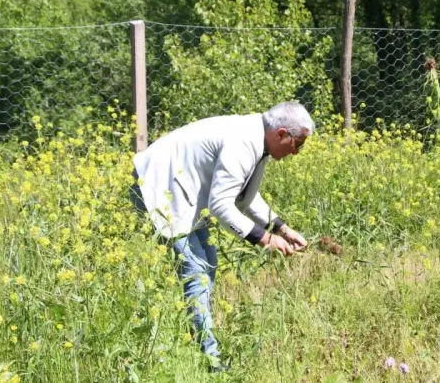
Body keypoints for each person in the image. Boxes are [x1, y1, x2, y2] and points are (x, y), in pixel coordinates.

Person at [130, 101, 312, 372]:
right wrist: (264, 239)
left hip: (184, 192)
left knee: (207, 265)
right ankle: (210, 361)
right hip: (158, 183)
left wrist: (281, 228)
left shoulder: (257, 139)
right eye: (298, 144)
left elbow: (246, 195)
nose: (296, 152)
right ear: (281, 134)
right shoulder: (243, 141)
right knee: (197, 272)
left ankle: (196, 341)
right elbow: (222, 205)